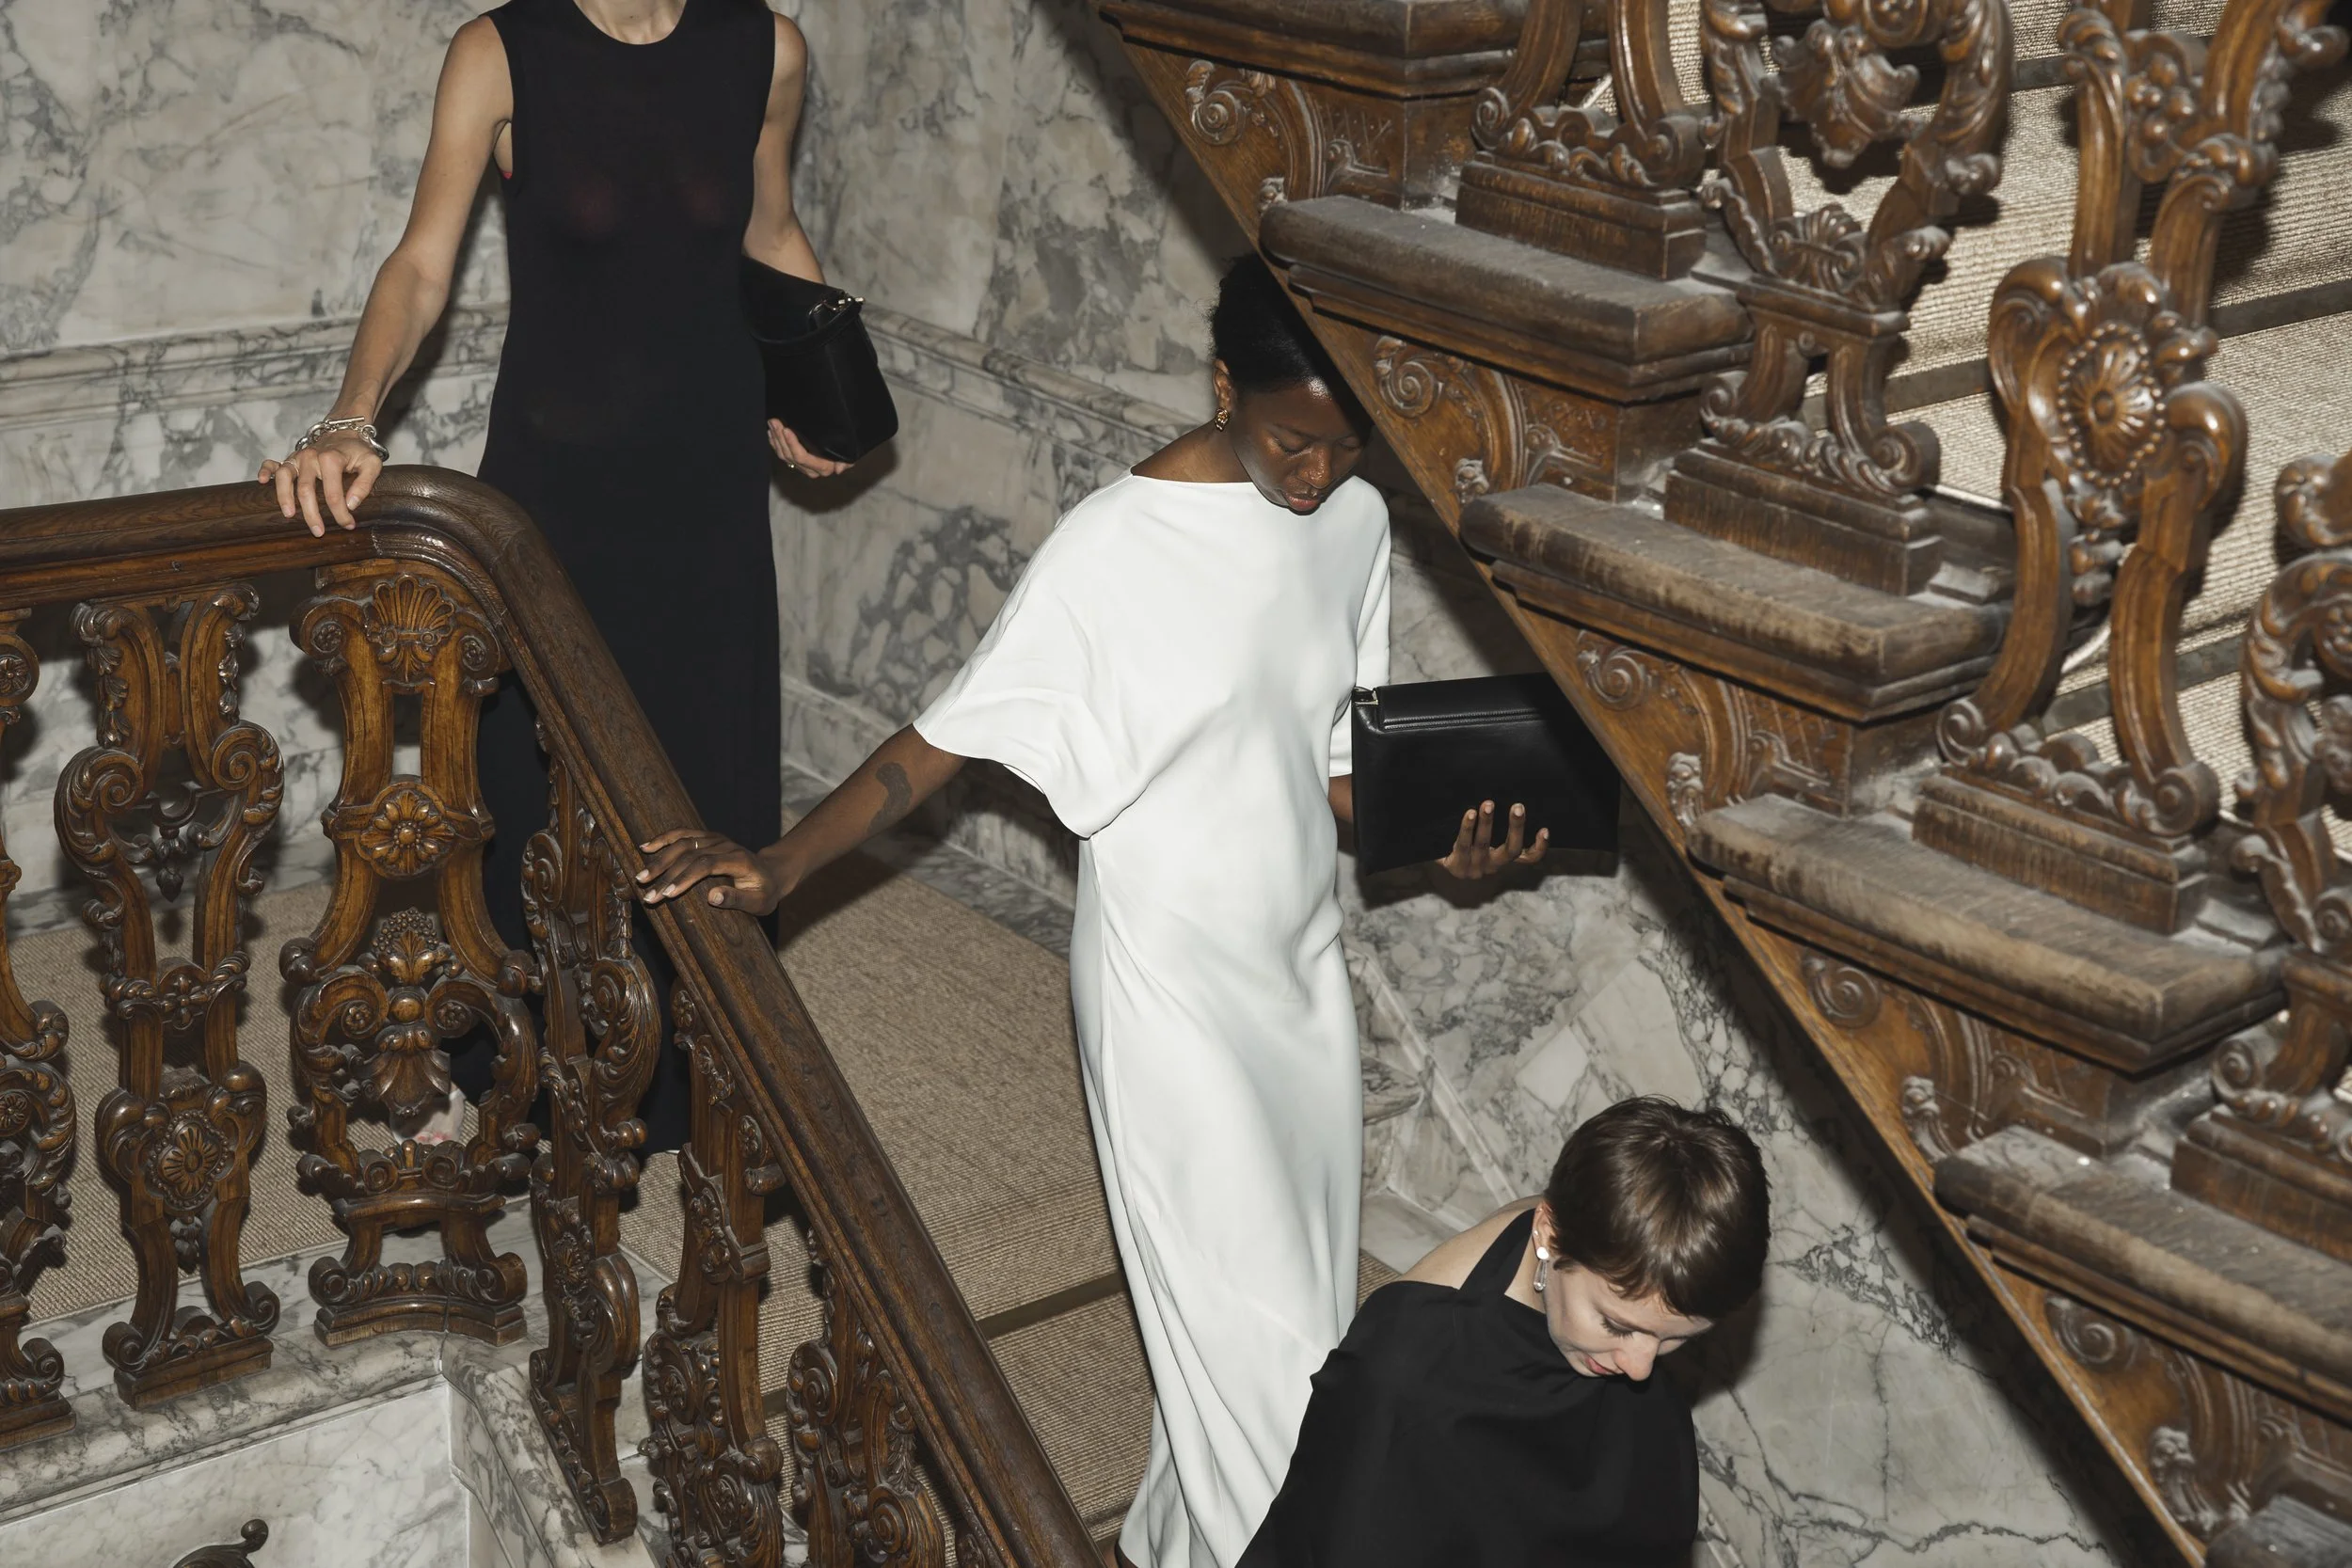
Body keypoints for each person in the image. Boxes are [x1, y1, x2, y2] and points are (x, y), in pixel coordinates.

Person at [638, 253, 1549, 1568]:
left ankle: (1167, 1546)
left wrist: (1452, 840)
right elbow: (940, 740)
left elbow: (1340, 768)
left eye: (1344, 449)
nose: (1315, 475)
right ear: (1223, 381)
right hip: (1164, 986)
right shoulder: (1115, 548)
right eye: (1295, 440)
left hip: (1297, 984)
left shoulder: (1348, 522)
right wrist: (780, 865)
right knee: (1274, 1354)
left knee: (1275, 1315)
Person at [258, 0, 850, 1150]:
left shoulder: (765, 48)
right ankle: (512, 1060)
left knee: (703, 771)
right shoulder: (502, 53)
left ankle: (703, 1069)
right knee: (531, 791)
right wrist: (352, 419)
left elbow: (770, 233)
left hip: (708, 493)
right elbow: (422, 267)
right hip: (557, 496)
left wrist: (818, 380)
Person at [1239, 1097, 1770, 1567]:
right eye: (1616, 1325)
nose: (1642, 1368)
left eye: (1677, 1338)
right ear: (1547, 1233)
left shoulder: (1597, 1228)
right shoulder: (1410, 1372)